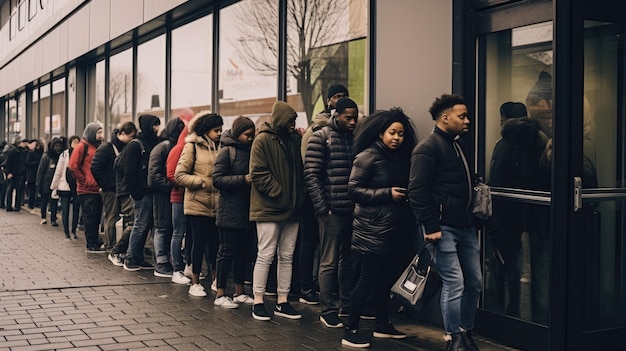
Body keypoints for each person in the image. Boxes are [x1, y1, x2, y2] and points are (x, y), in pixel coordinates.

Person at [408, 94, 482, 351]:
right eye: (462, 116)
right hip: (442, 229)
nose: (467, 121)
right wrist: (430, 227)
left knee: (475, 283)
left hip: (465, 227)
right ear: (445, 117)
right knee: (455, 282)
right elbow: (417, 190)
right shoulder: (428, 147)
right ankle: (455, 338)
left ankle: (464, 331)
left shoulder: (456, 145)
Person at [340, 108, 417, 348]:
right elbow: (353, 190)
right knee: (366, 280)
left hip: (395, 230)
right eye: (392, 133)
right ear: (381, 133)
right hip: (371, 230)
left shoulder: (403, 157)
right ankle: (350, 330)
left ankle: (382, 325)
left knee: (385, 281)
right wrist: (387, 194)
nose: (397, 138)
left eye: (401, 134)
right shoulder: (367, 156)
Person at [304, 97, 359, 328]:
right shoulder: (320, 137)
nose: (353, 122)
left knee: (349, 260)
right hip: (331, 211)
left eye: (355, 118)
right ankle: (327, 309)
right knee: (329, 261)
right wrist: (323, 208)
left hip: (352, 210)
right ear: (336, 115)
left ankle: (347, 305)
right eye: (348, 118)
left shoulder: (354, 138)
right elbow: (312, 175)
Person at [488, 102, 547, 317]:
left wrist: (493, 219)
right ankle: (538, 315)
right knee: (537, 268)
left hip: (509, 214)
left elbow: (496, 181)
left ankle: (509, 312)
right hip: (537, 213)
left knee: (509, 264)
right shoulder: (542, 141)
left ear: (504, 119)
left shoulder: (503, 145)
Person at [249, 101, 306, 321]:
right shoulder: (262, 140)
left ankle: (283, 301)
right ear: (282, 120)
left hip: (292, 209)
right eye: (290, 121)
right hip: (269, 208)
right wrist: (281, 195)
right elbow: (258, 173)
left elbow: (299, 172)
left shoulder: (294, 140)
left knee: (287, 255)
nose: (293, 125)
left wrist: (297, 197)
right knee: (266, 254)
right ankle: (258, 301)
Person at [175, 111, 223, 297]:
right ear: (206, 130)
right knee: (199, 244)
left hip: (218, 205)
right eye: (215, 130)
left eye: (221, 130)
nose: (219, 133)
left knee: (215, 244)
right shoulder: (192, 147)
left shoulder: (221, 147)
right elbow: (179, 175)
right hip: (197, 205)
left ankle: (215, 279)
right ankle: (195, 282)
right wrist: (200, 182)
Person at [212, 116, 257, 308]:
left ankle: (239, 292)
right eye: (247, 135)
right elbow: (217, 180)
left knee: (242, 252)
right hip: (229, 211)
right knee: (226, 251)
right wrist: (243, 179)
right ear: (238, 133)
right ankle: (221, 293)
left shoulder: (252, 151)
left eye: (252, 135)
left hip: (247, 210)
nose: (250, 138)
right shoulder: (226, 151)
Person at [119, 114, 162, 271]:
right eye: (154, 125)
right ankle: (131, 257)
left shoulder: (154, 142)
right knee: (141, 224)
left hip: (151, 191)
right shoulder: (135, 145)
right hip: (142, 193)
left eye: (158, 125)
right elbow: (128, 171)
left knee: (147, 224)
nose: (156, 128)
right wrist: (136, 192)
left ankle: (138, 257)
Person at [91, 122, 137, 253]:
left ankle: (117, 246)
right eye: (130, 136)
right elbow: (95, 167)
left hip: (119, 188)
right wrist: (107, 185)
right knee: (112, 216)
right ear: (122, 134)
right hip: (110, 190)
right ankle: (110, 245)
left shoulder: (123, 147)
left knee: (119, 217)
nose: (131, 139)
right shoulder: (106, 148)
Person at [149, 117, 186, 278]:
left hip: (168, 193)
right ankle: (161, 262)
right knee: (162, 227)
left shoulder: (172, 146)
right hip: (162, 194)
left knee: (170, 228)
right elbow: (154, 175)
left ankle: (166, 260)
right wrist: (171, 186)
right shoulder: (163, 147)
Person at [165, 108, 195, 284]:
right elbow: (171, 174)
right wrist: (189, 183)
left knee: (188, 234)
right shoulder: (179, 149)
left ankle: (186, 268)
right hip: (179, 197)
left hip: (189, 198)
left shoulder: (187, 147)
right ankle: (176, 269)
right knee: (178, 233)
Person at [68, 122, 106, 253]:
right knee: (90, 216)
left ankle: (95, 240)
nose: (101, 135)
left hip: (98, 188)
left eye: (102, 132)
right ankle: (91, 244)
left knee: (96, 216)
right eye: (98, 132)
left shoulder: (98, 146)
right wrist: (84, 181)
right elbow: (73, 166)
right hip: (87, 189)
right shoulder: (82, 147)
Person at [51, 135, 81, 240]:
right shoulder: (64, 154)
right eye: (74, 142)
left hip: (77, 186)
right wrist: (54, 187)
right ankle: (66, 232)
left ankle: (73, 230)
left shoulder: (81, 154)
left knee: (76, 210)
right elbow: (58, 171)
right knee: (65, 210)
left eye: (78, 141)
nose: (76, 143)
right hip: (65, 186)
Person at [36, 137, 66, 227]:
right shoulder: (46, 156)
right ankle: (43, 217)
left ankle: (53, 219)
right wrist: (38, 184)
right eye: (56, 146)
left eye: (59, 146)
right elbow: (40, 171)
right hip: (46, 183)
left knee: (54, 201)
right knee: (44, 200)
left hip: (56, 183)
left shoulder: (62, 156)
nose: (58, 148)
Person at [4, 137, 29, 212]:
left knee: (17, 190)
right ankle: (10, 206)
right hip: (14, 173)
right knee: (11, 189)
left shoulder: (24, 151)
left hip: (19, 173)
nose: (25, 144)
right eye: (24, 143)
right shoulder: (13, 151)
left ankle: (16, 206)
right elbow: (8, 163)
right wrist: (8, 172)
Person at [25, 139, 44, 211]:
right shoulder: (31, 153)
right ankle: (31, 204)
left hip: (39, 174)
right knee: (32, 190)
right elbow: (27, 163)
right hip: (32, 174)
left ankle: (36, 203)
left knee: (38, 190)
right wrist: (37, 163)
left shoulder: (42, 153)